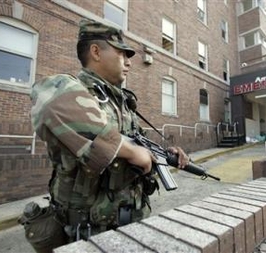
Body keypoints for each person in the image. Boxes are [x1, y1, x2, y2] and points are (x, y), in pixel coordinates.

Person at [29, 19, 189, 246]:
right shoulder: (69, 89)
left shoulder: (122, 101)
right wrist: (131, 152)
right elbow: (47, 99)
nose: (128, 63)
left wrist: (166, 154)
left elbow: (139, 143)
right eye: (122, 54)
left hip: (131, 220)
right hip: (89, 231)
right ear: (95, 51)